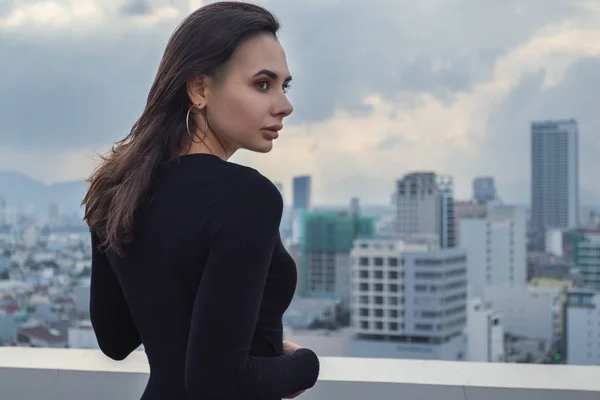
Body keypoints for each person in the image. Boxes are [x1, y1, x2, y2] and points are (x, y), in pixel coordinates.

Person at [81, 2, 320, 399]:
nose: (284, 105)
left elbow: (115, 338)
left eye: (284, 85)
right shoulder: (246, 195)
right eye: (263, 84)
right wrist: (304, 365)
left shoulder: (116, 186)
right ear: (200, 88)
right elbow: (218, 382)